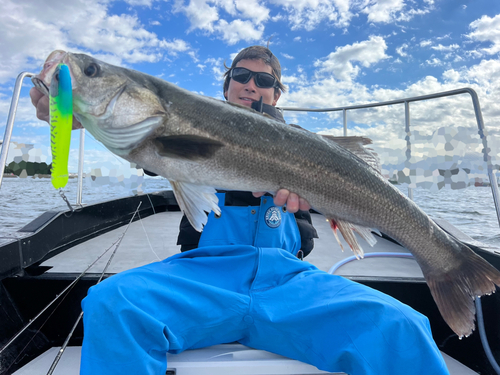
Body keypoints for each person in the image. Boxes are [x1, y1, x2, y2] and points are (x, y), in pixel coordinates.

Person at [30, 46, 450, 375]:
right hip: (202, 276)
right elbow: (123, 128)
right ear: (227, 83)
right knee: (110, 302)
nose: (251, 85)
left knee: (404, 326)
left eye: (263, 80)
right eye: (241, 76)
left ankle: (450, 267)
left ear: (276, 92)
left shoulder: (304, 144)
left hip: (286, 279)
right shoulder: (181, 121)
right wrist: (64, 106)